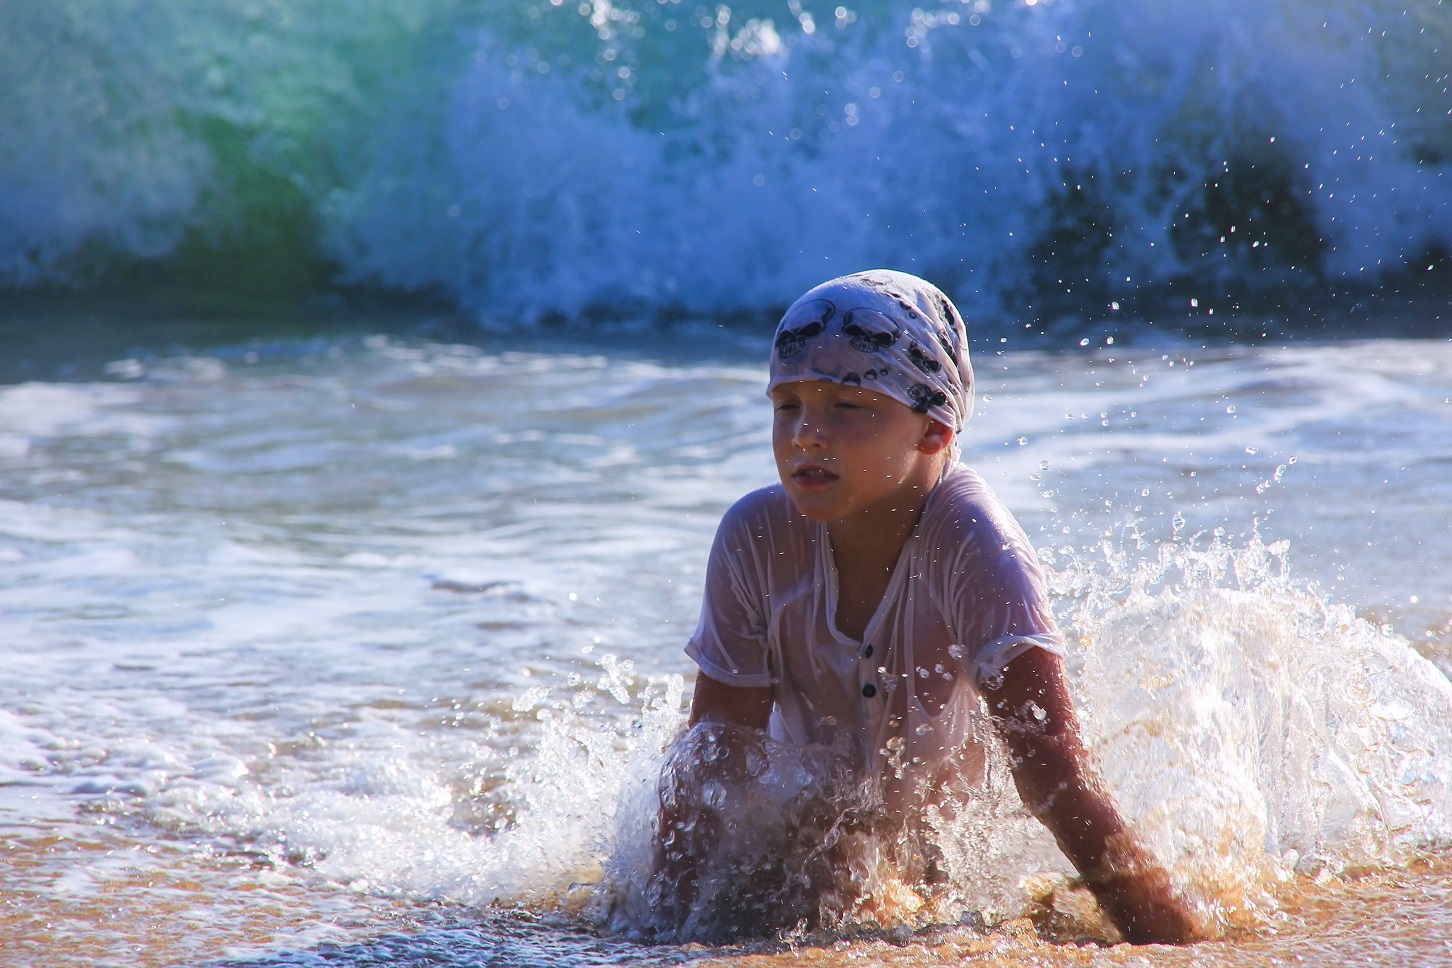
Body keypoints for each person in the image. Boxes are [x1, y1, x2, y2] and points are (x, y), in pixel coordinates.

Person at [650, 269, 1200, 945]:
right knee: (799, 880)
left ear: (935, 430)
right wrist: (655, 932)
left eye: (848, 405)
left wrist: (1175, 944)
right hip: (805, 846)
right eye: (787, 404)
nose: (805, 435)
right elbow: (712, 763)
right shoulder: (755, 537)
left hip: (950, 866)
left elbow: (1057, 778)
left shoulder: (978, 546)